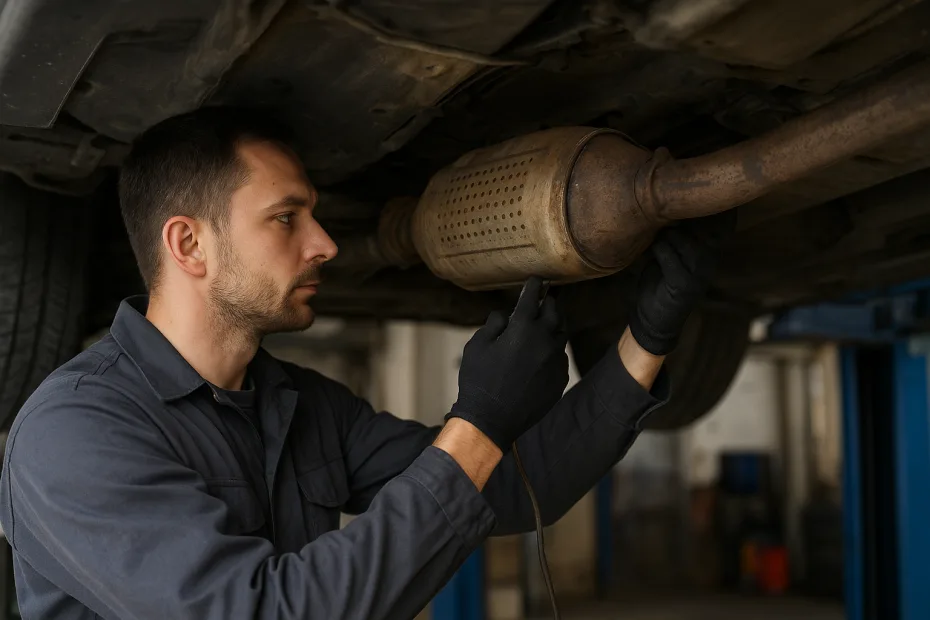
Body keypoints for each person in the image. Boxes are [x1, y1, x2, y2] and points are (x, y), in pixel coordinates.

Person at [0, 107, 725, 620]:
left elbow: (507, 489)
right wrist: (476, 422)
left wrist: (648, 335)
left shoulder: (301, 404)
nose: (325, 243)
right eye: (286, 218)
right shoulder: (76, 432)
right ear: (189, 245)